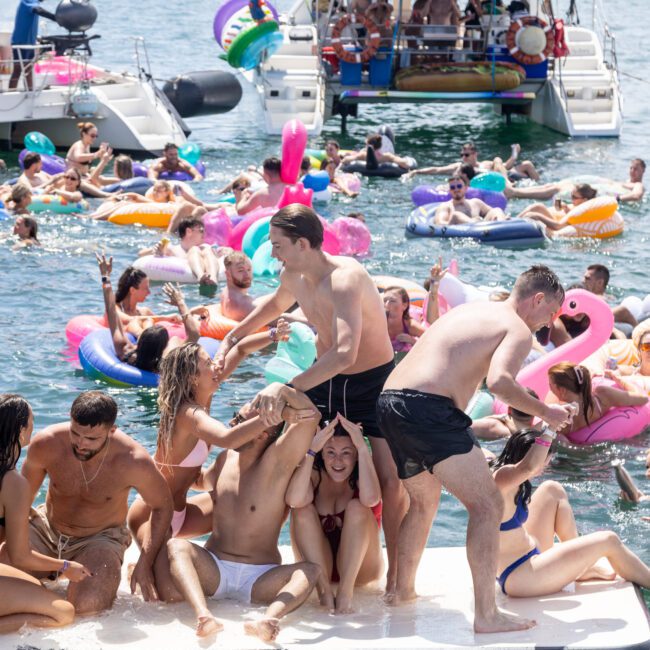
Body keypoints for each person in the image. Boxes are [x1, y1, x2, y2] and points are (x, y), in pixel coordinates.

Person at [217, 204, 406, 595]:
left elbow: (346, 353)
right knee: (289, 458)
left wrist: (290, 387)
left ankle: (397, 576)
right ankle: (278, 555)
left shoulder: (346, 279)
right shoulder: (293, 274)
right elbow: (272, 307)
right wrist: (233, 337)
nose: (272, 254)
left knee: (389, 478)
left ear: (303, 243)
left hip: (371, 381)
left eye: (278, 245)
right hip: (327, 378)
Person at [376, 265, 575, 632]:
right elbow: (499, 383)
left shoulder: (477, 311)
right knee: (487, 505)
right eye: (551, 312)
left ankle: (400, 592)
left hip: (390, 402)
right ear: (537, 299)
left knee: (423, 502)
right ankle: (487, 614)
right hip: (427, 407)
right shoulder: (516, 327)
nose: (549, 323)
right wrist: (546, 411)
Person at [127, 335, 293, 598]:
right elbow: (228, 438)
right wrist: (274, 415)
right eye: (209, 363)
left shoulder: (205, 393)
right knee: (170, 596)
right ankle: (140, 565)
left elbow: (239, 348)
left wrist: (274, 334)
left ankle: (233, 566)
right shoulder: (188, 414)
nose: (217, 367)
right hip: (155, 514)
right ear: (194, 377)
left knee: (237, 504)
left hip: (183, 510)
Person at [165, 386, 321, 641]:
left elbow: (311, 416)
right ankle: (204, 616)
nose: (230, 424)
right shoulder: (226, 457)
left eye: (238, 420)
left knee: (309, 572)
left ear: (262, 433)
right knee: (177, 547)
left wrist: (281, 389)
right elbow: (199, 480)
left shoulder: (277, 462)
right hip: (215, 568)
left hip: (260, 576)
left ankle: (269, 619)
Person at [21, 391, 173, 614]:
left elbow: (163, 506)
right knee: (4, 577)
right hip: (47, 529)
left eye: (92, 439)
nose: (81, 444)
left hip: (99, 539)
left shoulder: (133, 460)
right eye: (75, 434)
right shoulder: (48, 443)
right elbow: (22, 500)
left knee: (87, 607)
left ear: (111, 431)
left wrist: (145, 562)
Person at [491, 427, 650, 596]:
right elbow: (529, 467)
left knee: (552, 489)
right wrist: (550, 430)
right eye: (543, 464)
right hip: (520, 576)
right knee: (609, 540)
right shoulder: (502, 479)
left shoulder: (509, 478)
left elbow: (529, 468)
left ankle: (580, 566)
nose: (543, 469)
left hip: (527, 555)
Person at [0, 394, 91, 633]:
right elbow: (20, 556)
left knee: (34, 586)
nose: (34, 426)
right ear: (21, 431)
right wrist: (64, 566)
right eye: (31, 421)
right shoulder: (12, 482)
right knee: (63, 612)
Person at [286, 414, 383, 614]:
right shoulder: (314, 475)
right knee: (301, 510)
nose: (337, 460)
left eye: (346, 452)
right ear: (322, 453)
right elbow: (294, 500)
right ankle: (325, 594)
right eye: (330, 452)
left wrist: (363, 448)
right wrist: (312, 449)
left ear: (355, 454)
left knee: (358, 507)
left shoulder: (363, 473)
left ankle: (345, 596)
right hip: (321, 570)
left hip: (362, 572)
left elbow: (372, 500)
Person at [97, 252, 200, 372]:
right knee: (175, 339)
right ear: (163, 348)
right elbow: (194, 334)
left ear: (141, 341)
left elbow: (110, 310)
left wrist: (105, 276)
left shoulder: (126, 350)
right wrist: (180, 303)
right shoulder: (167, 360)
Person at [546, 361, 648, 436]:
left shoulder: (559, 417)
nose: (549, 387)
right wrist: (619, 379)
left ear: (562, 390)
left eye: (550, 385)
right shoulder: (603, 396)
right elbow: (643, 399)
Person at [140, 217, 219, 287]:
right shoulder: (173, 249)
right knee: (194, 249)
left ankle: (213, 278)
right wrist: (155, 249)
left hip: (200, 284)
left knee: (206, 249)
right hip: (186, 288)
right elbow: (141, 254)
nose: (204, 234)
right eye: (201, 230)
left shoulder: (206, 247)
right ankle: (200, 276)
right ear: (189, 231)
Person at [407, 141, 539, 181]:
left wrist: (514, 154)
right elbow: (437, 169)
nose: (463, 158)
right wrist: (417, 171)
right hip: (494, 184)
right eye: (461, 155)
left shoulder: (486, 163)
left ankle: (539, 186)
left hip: (504, 178)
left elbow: (506, 166)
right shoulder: (460, 167)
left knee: (527, 164)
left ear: (475, 154)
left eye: (466, 155)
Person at [517, 183, 597, 236]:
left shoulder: (587, 210)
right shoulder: (575, 205)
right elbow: (557, 209)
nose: (572, 199)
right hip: (558, 224)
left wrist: (567, 211)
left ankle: (515, 225)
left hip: (561, 229)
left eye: (575, 197)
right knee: (538, 206)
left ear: (585, 200)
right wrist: (560, 204)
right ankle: (513, 220)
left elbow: (561, 226)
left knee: (534, 214)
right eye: (571, 196)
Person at [434, 175, 507, 224]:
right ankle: (473, 223)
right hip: (460, 234)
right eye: (453, 187)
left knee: (497, 210)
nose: (456, 189)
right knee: (456, 215)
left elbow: (492, 212)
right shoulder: (445, 206)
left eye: (459, 186)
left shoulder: (476, 203)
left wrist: (503, 217)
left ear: (466, 188)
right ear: (449, 191)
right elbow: (440, 223)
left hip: (482, 231)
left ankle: (503, 227)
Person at [472, 389, 540, 440]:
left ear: (509, 410)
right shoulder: (540, 434)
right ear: (535, 413)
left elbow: (464, 427)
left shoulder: (492, 425)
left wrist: (501, 418)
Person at [384, 286, 426, 354]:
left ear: (404, 305)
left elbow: (432, 341)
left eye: (392, 301)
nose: (387, 304)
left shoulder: (410, 326)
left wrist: (413, 341)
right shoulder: (377, 323)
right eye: (384, 300)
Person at [8, 0, 40, 91]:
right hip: (20, 42)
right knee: (17, 70)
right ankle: (10, 93)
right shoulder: (27, 1)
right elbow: (38, 10)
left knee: (29, 69)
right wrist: (56, 18)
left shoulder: (35, 2)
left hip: (30, 43)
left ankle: (30, 92)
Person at [219, 250, 257, 320]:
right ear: (228, 274)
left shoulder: (224, 293)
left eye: (249, 269)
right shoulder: (245, 303)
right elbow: (279, 320)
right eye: (240, 270)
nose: (247, 275)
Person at [341, 134, 412, 170]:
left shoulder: (363, 155)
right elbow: (405, 164)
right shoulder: (387, 156)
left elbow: (345, 160)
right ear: (380, 146)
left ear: (368, 146)